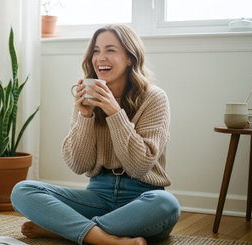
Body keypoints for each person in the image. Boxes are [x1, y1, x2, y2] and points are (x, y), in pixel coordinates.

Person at [11, 24, 180, 245]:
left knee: (166, 204)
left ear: (130, 58)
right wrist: (85, 116)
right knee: (22, 190)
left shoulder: (154, 98)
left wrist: (114, 112)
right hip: (97, 195)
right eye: (96, 50)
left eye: (110, 50)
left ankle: (67, 230)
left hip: (142, 196)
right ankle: (104, 239)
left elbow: (139, 166)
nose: (100, 57)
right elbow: (78, 164)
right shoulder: (86, 97)